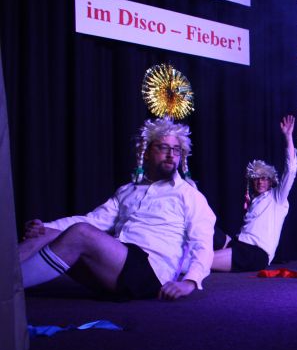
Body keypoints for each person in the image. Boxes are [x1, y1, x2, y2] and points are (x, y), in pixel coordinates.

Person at [19, 117, 216, 300]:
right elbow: (93, 220)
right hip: (118, 265)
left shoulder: (189, 195)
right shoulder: (127, 191)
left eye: (176, 150)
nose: (171, 155)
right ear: (146, 153)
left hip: (150, 273)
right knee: (45, 234)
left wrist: (190, 281)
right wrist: (45, 226)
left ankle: (8, 287)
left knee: (81, 233)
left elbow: (203, 243)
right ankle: (6, 276)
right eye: (163, 147)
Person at [211, 115, 297, 272]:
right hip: (238, 244)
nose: (260, 182)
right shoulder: (254, 201)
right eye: (256, 179)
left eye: (264, 178)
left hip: (255, 254)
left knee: (200, 261)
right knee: (207, 227)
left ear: (270, 181)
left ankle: (173, 264)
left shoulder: (277, 198)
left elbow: (290, 170)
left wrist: (288, 137)